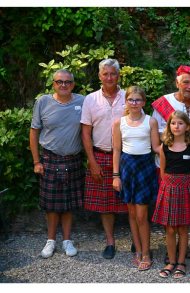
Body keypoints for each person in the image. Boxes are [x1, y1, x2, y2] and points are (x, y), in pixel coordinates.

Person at [152, 65, 190, 263]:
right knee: (170, 215)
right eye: (186, 82)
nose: (189, 86)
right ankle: (171, 252)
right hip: (168, 165)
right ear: (177, 83)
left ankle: (181, 250)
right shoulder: (163, 102)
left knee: (183, 212)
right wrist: (174, 140)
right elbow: (157, 131)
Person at [30, 69, 84, 258]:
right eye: (59, 81)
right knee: (51, 205)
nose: (63, 85)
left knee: (68, 204)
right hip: (50, 159)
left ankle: (67, 240)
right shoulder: (43, 102)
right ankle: (51, 240)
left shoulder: (82, 101)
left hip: (73, 158)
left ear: (73, 84)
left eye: (67, 82)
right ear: (53, 84)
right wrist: (37, 161)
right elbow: (34, 131)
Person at [81, 59, 129, 259]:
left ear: (118, 75)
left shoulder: (129, 97)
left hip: (127, 156)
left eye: (113, 74)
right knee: (105, 204)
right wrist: (92, 162)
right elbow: (85, 133)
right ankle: (110, 241)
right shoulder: (90, 99)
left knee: (131, 200)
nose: (109, 77)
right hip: (100, 155)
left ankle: (137, 240)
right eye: (105, 74)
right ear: (100, 76)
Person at [112, 86, 160, 271]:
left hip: (144, 167)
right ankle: (138, 251)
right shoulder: (119, 123)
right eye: (131, 99)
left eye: (138, 100)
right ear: (126, 101)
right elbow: (116, 149)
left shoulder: (151, 121)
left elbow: (156, 147)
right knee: (131, 214)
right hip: (126, 168)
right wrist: (116, 175)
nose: (134, 103)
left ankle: (147, 252)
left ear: (144, 102)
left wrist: (177, 147)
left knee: (141, 215)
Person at [152, 111, 190, 278]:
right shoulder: (164, 147)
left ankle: (181, 263)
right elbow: (163, 172)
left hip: (186, 187)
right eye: (173, 123)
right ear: (169, 126)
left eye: (180, 123)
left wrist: (183, 185)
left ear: (187, 126)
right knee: (170, 228)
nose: (176, 126)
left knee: (182, 228)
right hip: (169, 187)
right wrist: (171, 185)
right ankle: (171, 261)